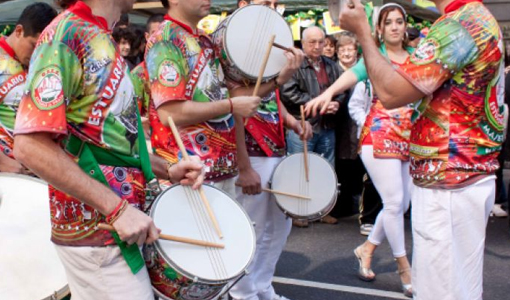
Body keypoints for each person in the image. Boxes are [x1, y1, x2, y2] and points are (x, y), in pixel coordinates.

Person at [13, 1, 205, 299]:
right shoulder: (65, 36)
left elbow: (112, 142)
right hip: (98, 231)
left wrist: (167, 169)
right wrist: (116, 209)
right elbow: (29, 146)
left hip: (118, 227)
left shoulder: (98, 34)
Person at [337, 0, 505, 298]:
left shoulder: (455, 27)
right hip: (465, 175)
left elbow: (390, 93)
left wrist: (363, 32)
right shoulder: (479, 18)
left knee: (439, 290)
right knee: (462, 287)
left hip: (448, 181)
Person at [305, 4, 415, 297]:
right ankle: (404, 265)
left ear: (405, 26)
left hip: (409, 136)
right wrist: (327, 93)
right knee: (393, 203)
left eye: (399, 21)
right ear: (378, 29)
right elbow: (352, 75)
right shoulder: (374, 57)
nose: (394, 26)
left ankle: (366, 249)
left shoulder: (417, 58)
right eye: (387, 22)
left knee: (401, 204)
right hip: (378, 134)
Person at [227, 2, 311, 300]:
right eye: (265, 2)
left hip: (274, 147)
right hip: (251, 151)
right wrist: (244, 165)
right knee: (251, 231)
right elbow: (235, 106)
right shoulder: (231, 41)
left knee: (278, 229)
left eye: (274, 3)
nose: (273, 7)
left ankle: (262, 286)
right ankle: (242, 293)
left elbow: (271, 99)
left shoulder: (265, 39)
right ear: (243, 5)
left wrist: (291, 122)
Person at [145, 0, 261, 200]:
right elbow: (170, 113)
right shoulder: (165, 40)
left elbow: (233, 100)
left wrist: (279, 79)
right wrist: (231, 105)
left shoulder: (205, 40)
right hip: (189, 175)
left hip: (223, 169)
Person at [280, 26, 343, 227]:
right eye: (312, 42)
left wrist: (337, 103)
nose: (317, 46)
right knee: (299, 169)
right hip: (301, 124)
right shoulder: (294, 66)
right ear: (303, 43)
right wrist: (320, 103)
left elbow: (343, 88)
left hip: (327, 125)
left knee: (326, 169)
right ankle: (297, 212)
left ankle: (323, 209)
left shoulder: (332, 65)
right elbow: (288, 94)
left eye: (320, 42)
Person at [0, 2, 57, 174]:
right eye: (33, 46)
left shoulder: (36, 64)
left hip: (30, 171)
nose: (37, 55)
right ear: (18, 31)